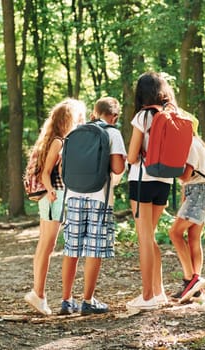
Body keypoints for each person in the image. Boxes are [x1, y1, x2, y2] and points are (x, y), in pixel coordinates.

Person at [59, 97, 127, 315]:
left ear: (93, 114)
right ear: (114, 117)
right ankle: (88, 301)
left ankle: (67, 301)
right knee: (93, 249)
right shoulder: (113, 133)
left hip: (74, 196)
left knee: (72, 249)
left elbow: (64, 167)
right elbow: (117, 169)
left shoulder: (75, 133)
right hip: (100, 196)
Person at [25, 98, 87, 316]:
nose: (82, 121)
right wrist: (51, 190)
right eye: (79, 118)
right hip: (54, 197)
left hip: (53, 197)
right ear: (69, 120)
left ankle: (38, 293)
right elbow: (46, 172)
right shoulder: (59, 142)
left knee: (45, 245)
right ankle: (38, 293)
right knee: (47, 245)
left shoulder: (55, 140)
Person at [125, 72, 177, 311]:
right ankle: (159, 292)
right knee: (151, 237)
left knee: (144, 239)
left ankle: (146, 297)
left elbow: (133, 156)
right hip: (164, 182)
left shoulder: (143, 116)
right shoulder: (172, 115)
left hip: (142, 181)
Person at [168, 114, 205, 303]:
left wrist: (167, 166)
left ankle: (190, 279)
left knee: (175, 233)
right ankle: (195, 288)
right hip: (200, 190)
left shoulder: (190, 145)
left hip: (199, 191)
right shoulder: (197, 144)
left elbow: (186, 175)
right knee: (193, 238)